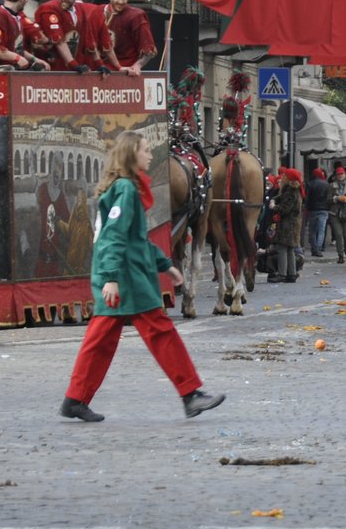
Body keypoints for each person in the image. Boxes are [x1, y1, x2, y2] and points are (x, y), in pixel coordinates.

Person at [60, 131, 225, 422]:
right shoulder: (125, 189)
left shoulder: (123, 187)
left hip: (124, 274)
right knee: (161, 333)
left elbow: (136, 238)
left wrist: (165, 265)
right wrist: (112, 277)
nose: (151, 155)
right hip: (126, 278)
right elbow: (113, 237)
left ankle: (75, 399)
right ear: (131, 155)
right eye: (146, 150)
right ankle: (190, 394)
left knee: (100, 341)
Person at [99, 0, 156, 75]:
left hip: (126, 72)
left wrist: (138, 65)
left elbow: (149, 49)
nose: (121, 2)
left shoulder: (136, 16)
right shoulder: (98, 12)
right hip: (99, 71)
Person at [31, 0, 84, 72]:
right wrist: (74, 65)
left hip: (68, 65)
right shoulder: (49, 8)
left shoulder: (79, 10)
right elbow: (58, 40)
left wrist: (98, 63)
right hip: (51, 66)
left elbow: (87, 37)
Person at [268, 167, 302, 283]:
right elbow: (281, 197)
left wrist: (274, 207)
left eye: (285, 176)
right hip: (292, 224)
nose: (282, 177)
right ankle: (291, 274)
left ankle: (282, 274)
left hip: (288, 225)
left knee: (282, 248)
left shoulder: (291, 191)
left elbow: (285, 208)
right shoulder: (292, 190)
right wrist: (274, 199)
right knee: (290, 249)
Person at [328, 165, 346, 263]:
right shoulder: (332, 186)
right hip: (335, 213)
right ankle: (340, 255)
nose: (340, 176)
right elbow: (327, 200)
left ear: (345, 175)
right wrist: (336, 198)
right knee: (338, 234)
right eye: (338, 174)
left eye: (342, 174)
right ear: (336, 175)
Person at [303, 167, 331, 258]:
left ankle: (314, 248)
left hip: (313, 209)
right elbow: (328, 197)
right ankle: (318, 248)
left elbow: (307, 198)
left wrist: (307, 208)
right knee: (321, 230)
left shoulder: (310, 183)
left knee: (312, 231)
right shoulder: (326, 184)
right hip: (324, 209)